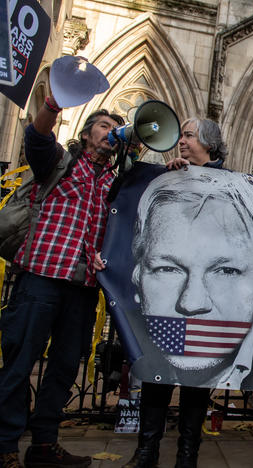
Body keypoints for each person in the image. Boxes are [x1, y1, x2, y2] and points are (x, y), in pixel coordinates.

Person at [119, 119, 253, 468]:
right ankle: (146, 451)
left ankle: (187, 455)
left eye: (188, 136)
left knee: (197, 383)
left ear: (209, 145)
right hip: (171, 303)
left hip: (204, 307)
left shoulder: (230, 185)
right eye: (181, 135)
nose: (181, 142)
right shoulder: (172, 176)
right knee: (158, 375)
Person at [0, 94, 124, 468]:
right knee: (20, 363)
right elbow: (35, 139)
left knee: (64, 367)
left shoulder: (116, 183)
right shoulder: (61, 163)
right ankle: (5, 445)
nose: (110, 133)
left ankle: (44, 445)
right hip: (41, 276)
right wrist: (52, 106)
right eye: (104, 126)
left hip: (82, 288)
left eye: (116, 129)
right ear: (86, 135)